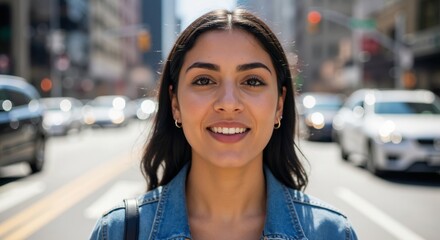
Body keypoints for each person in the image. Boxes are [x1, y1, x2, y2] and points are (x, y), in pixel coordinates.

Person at [90, 8, 358, 240]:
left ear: (279, 104)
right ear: (175, 103)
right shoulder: (118, 232)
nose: (228, 103)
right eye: (204, 80)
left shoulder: (332, 233)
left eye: (252, 81)